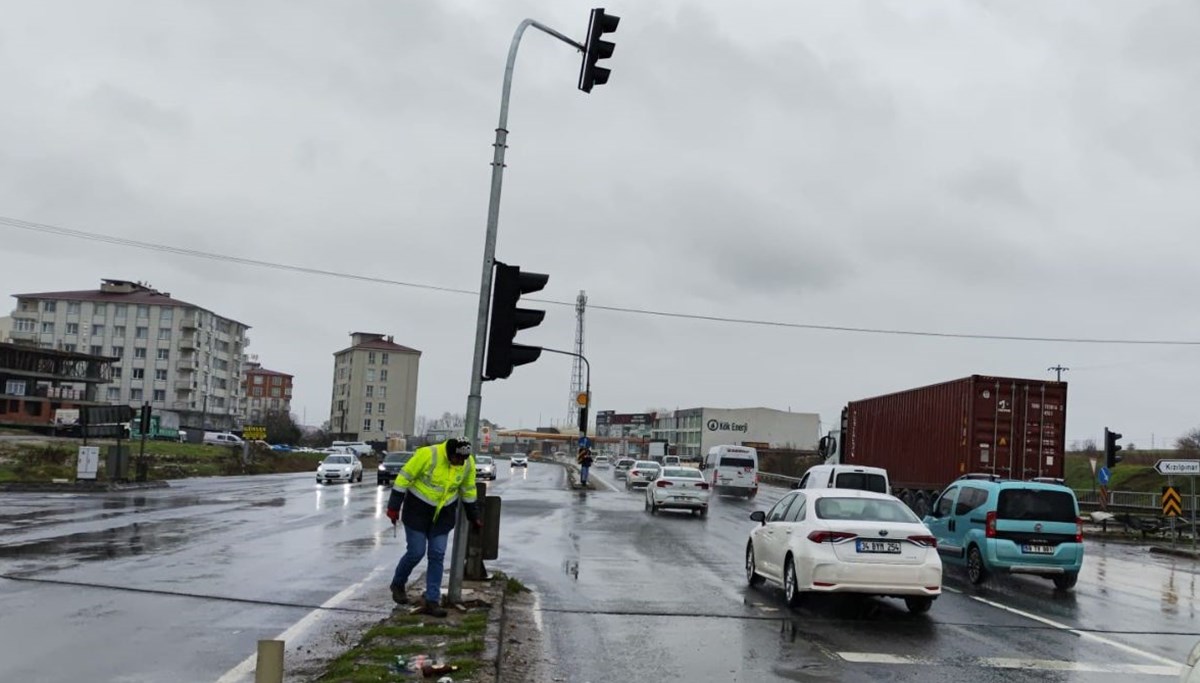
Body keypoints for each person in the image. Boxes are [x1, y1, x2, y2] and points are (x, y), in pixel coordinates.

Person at [386, 438, 481, 617]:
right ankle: (398, 583)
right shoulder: (427, 455)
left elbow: (468, 490)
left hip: (443, 515)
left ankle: (432, 600)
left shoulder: (467, 463)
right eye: (457, 459)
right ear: (449, 453)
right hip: (417, 511)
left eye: (463, 460)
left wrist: (474, 516)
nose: (460, 463)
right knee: (416, 551)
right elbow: (403, 479)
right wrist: (393, 507)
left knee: (437, 554)